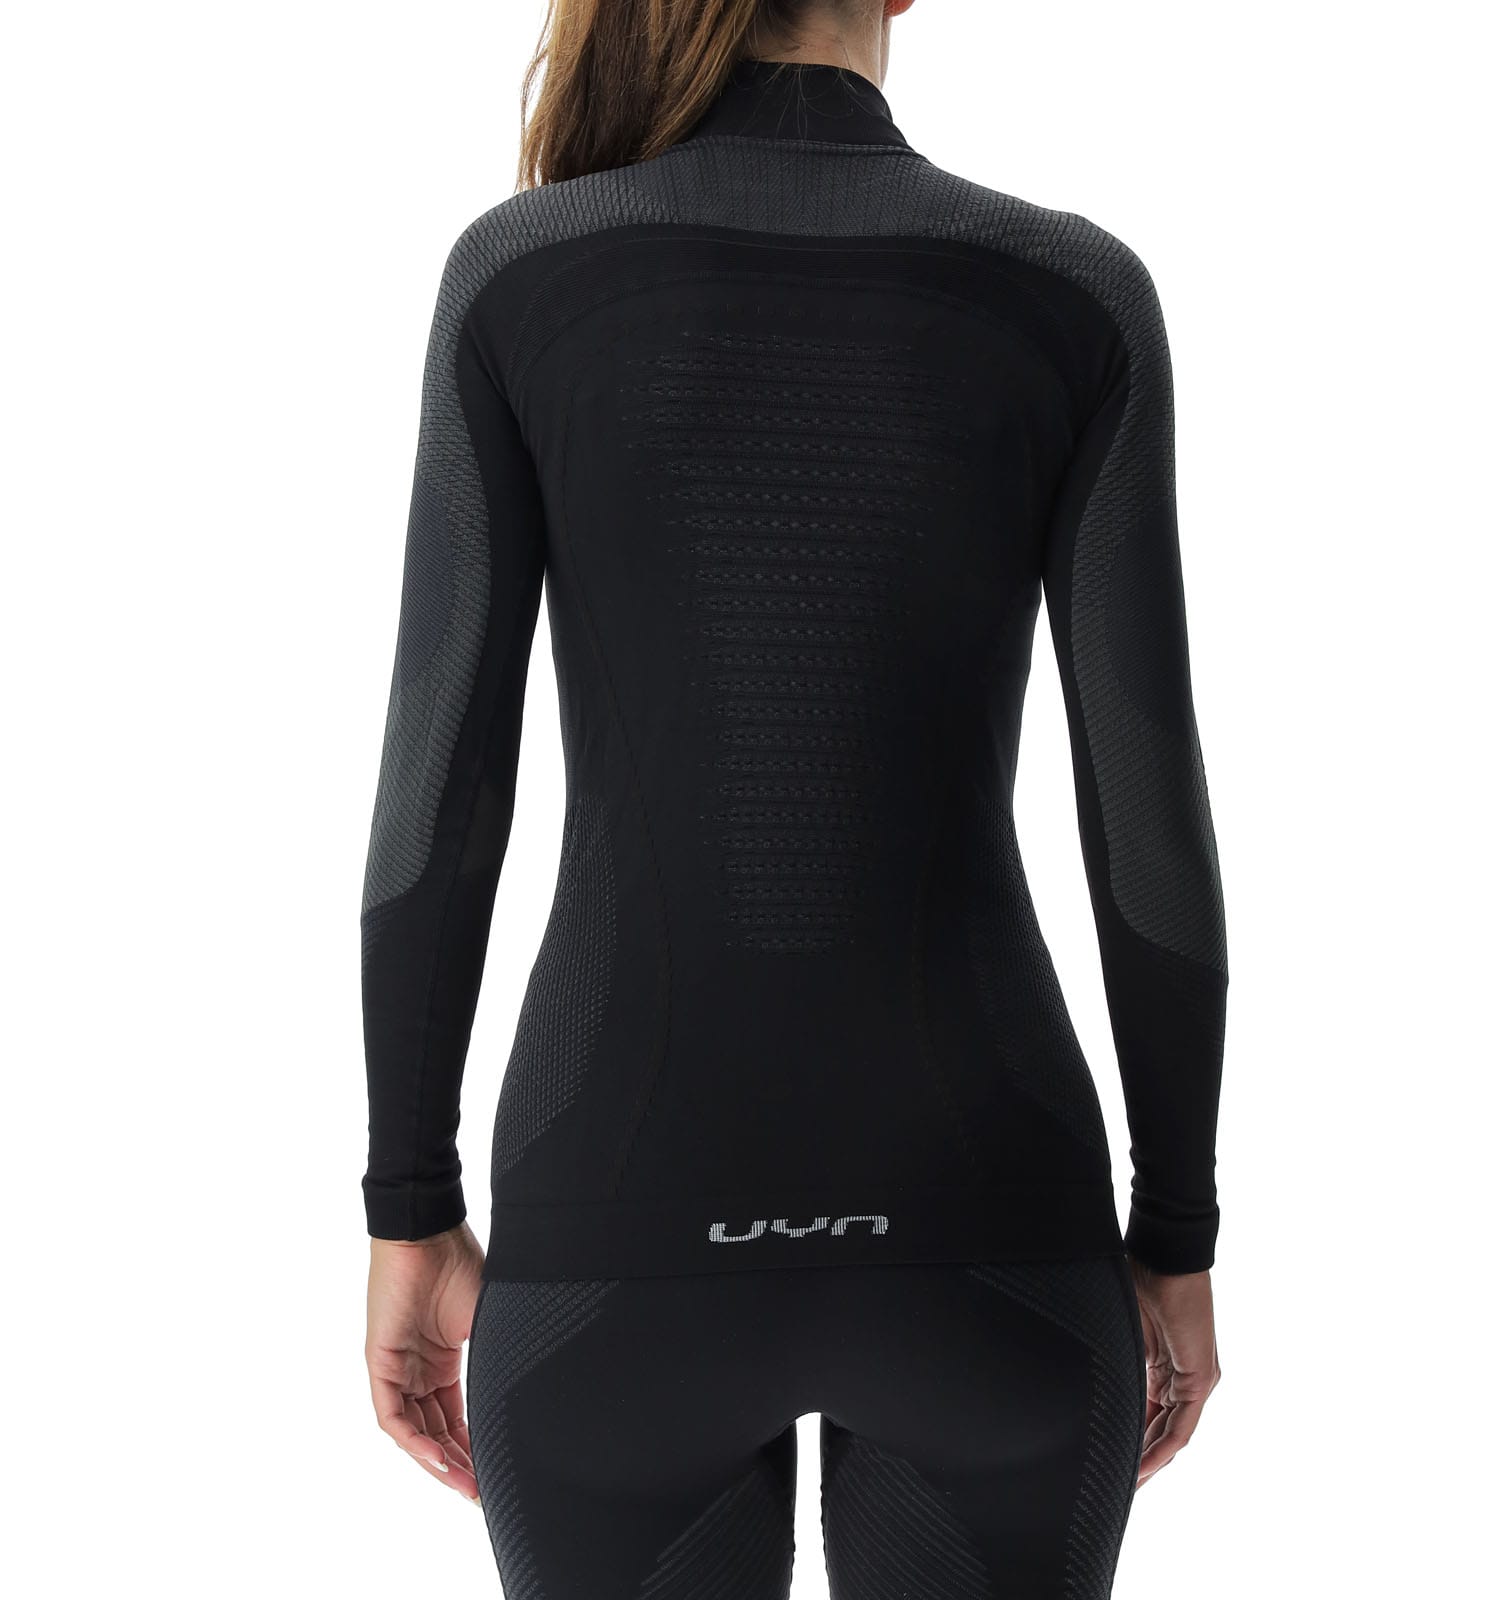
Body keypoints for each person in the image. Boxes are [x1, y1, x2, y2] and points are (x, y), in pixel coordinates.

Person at [360, 1, 1228, 1594]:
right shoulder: (1071, 295)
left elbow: (438, 794)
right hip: (994, 1246)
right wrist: (1177, 1234)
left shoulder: (526, 275)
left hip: (614, 1238)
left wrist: (409, 1205)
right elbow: (1150, 826)